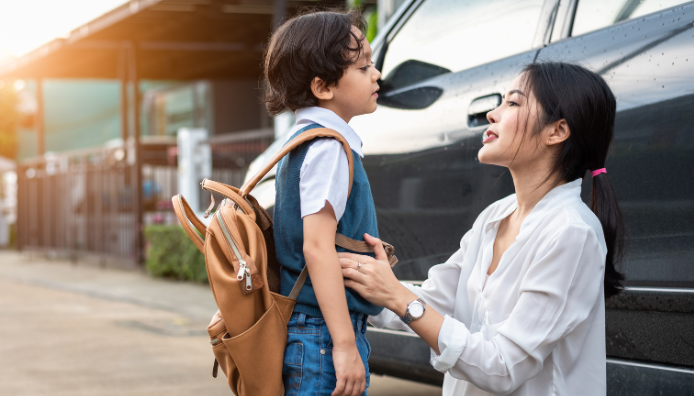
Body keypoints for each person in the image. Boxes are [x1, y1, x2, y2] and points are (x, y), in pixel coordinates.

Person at [338, 62, 625, 396]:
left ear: (557, 131)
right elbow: (431, 301)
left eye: (513, 103)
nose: (492, 114)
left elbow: (504, 367)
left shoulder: (572, 233)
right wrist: (367, 276)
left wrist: (397, 296)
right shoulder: (494, 218)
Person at [264, 9, 382, 396]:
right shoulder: (329, 147)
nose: (376, 74)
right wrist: (345, 345)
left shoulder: (304, 141)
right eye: (364, 67)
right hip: (323, 337)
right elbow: (317, 248)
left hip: (313, 332)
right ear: (323, 86)